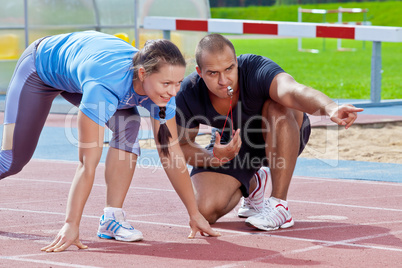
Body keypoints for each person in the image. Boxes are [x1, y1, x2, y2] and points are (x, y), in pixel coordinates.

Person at [0, 31, 220, 252]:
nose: (173, 92)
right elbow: (87, 164)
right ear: (142, 73)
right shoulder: (104, 85)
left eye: (178, 83)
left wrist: (194, 214)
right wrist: (71, 224)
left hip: (82, 70)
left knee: (129, 124)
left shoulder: (163, 92)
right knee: (12, 160)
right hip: (40, 68)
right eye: (166, 84)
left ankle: (111, 219)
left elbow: (170, 153)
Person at [175, 33, 363, 231]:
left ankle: (279, 204)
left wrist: (330, 107)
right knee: (204, 211)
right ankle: (254, 181)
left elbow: (292, 90)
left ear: (236, 63)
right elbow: (183, 146)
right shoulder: (189, 92)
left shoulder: (255, 68)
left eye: (229, 69)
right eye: (213, 73)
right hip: (235, 145)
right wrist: (214, 156)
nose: (224, 80)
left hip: (281, 131)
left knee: (280, 104)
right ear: (199, 71)